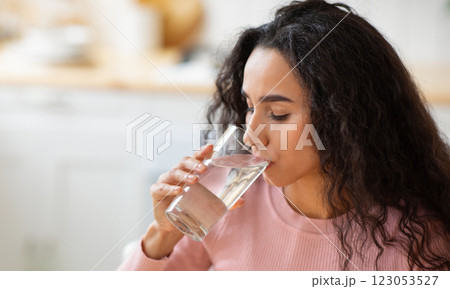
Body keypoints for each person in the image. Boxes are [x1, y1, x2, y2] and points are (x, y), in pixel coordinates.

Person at [118, 0, 449, 270]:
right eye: (249, 106)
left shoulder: (418, 236)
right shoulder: (224, 202)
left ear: (343, 115)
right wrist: (161, 237)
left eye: (277, 114)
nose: (251, 136)